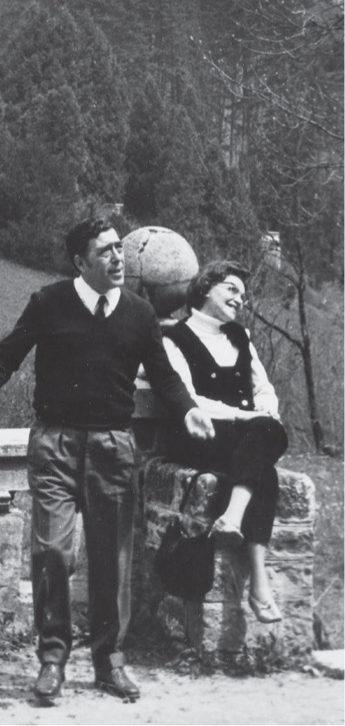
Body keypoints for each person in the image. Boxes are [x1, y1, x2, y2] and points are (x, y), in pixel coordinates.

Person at [0, 211, 214, 707]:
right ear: (80, 262)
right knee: (52, 552)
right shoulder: (48, 303)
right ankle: (52, 660)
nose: (119, 258)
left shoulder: (138, 312)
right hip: (55, 444)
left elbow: (162, 373)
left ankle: (109, 661)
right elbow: (7, 355)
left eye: (119, 248)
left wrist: (189, 409)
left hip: (113, 446)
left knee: (112, 559)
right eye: (106, 251)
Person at [161, 260, 287, 623]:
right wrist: (249, 417)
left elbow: (264, 389)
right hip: (201, 434)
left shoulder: (241, 337)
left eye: (244, 295)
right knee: (262, 453)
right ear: (205, 289)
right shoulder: (175, 338)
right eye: (232, 289)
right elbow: (188, 398)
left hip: (246, 438)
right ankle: (259, 585)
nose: (240, 299)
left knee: (263, 451)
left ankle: (234, 522)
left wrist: (264, 413)